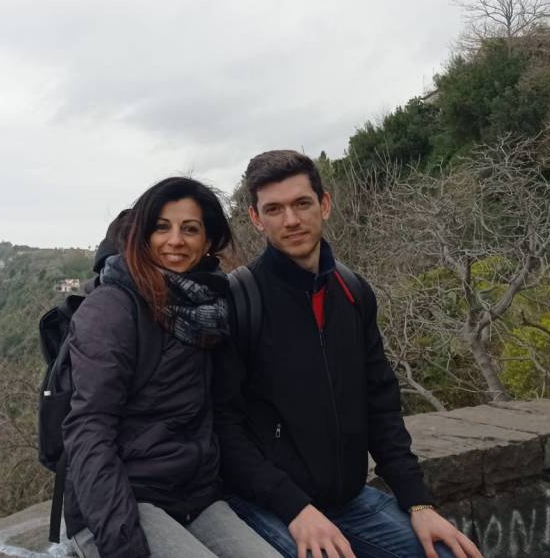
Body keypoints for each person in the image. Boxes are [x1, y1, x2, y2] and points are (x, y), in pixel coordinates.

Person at [213, 150, 483, 558]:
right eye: (274, 209)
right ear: (256, 218)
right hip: (270, 504)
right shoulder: (239, 299)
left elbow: (381, 405)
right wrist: (294, 506)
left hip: (347, 502)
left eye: (302, 203)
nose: (291, 220)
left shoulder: (352, 291)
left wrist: (419, 503)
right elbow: (223, 427)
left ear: (324, 204)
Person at [62, 176, 280, 558]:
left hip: (195, 497)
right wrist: (124, 545)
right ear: (142, 236)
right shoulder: (113, 308)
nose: (175, 240)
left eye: (190, 229)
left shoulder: (209, 308)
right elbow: (89, 429)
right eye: (162, 227)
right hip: (122, 501)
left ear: (207, 241)